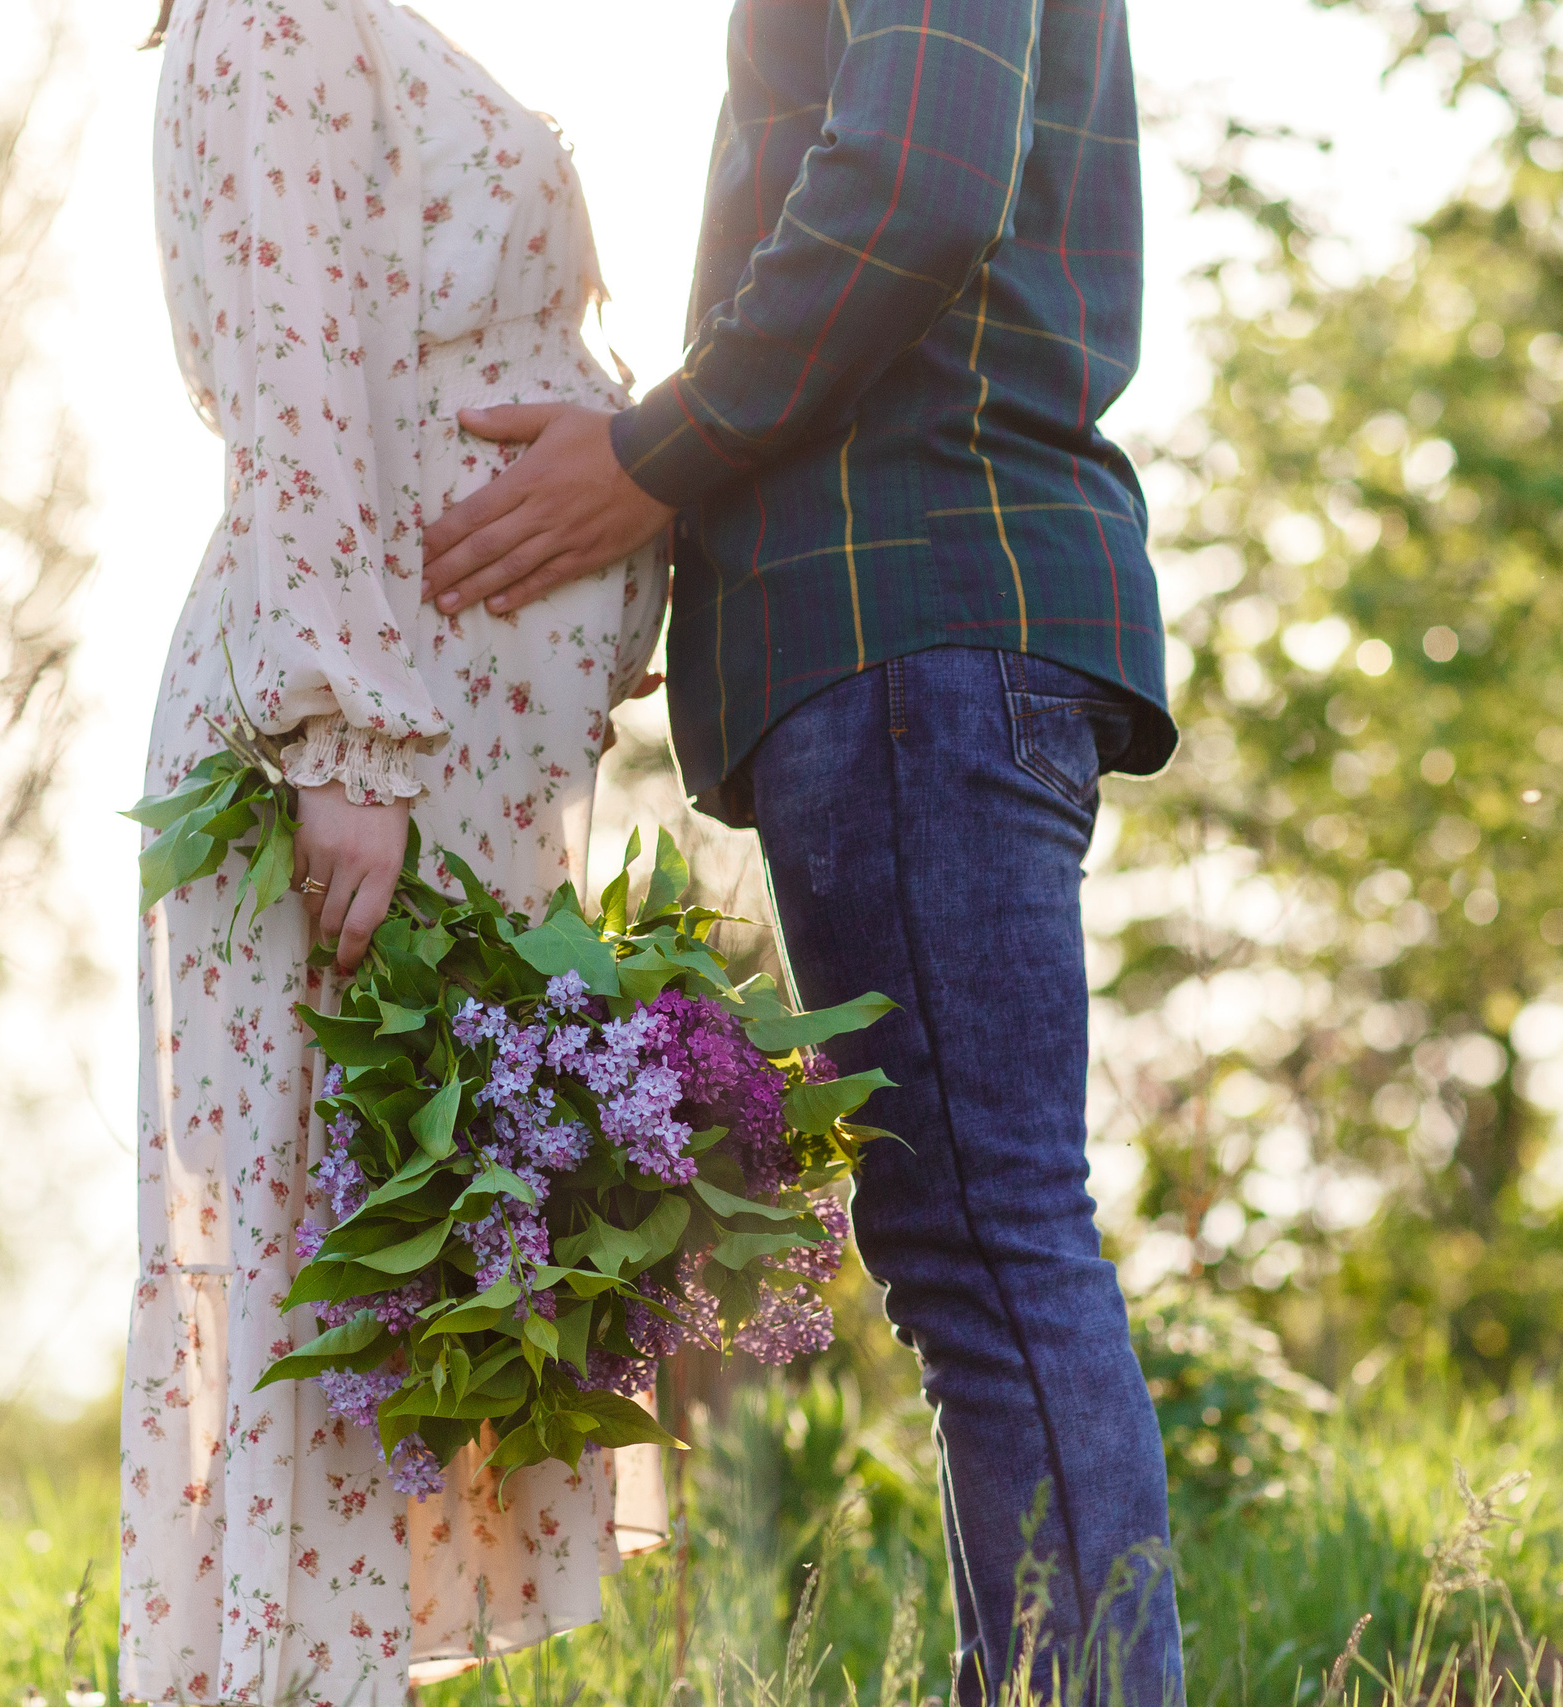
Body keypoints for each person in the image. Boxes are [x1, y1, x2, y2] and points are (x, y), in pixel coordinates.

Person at [417, 0, 1186, 1701]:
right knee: (970, 1251)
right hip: (919, 626)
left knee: (989, 1247)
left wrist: (652, 459)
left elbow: (913, 177)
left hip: (918, 608)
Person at [120, 1, 668, 1700]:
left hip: (441, 763)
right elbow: (297, 384)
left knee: (384, 1333)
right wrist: (346, 739)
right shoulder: (273, 11)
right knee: (325, 1313)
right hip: (352, 763)